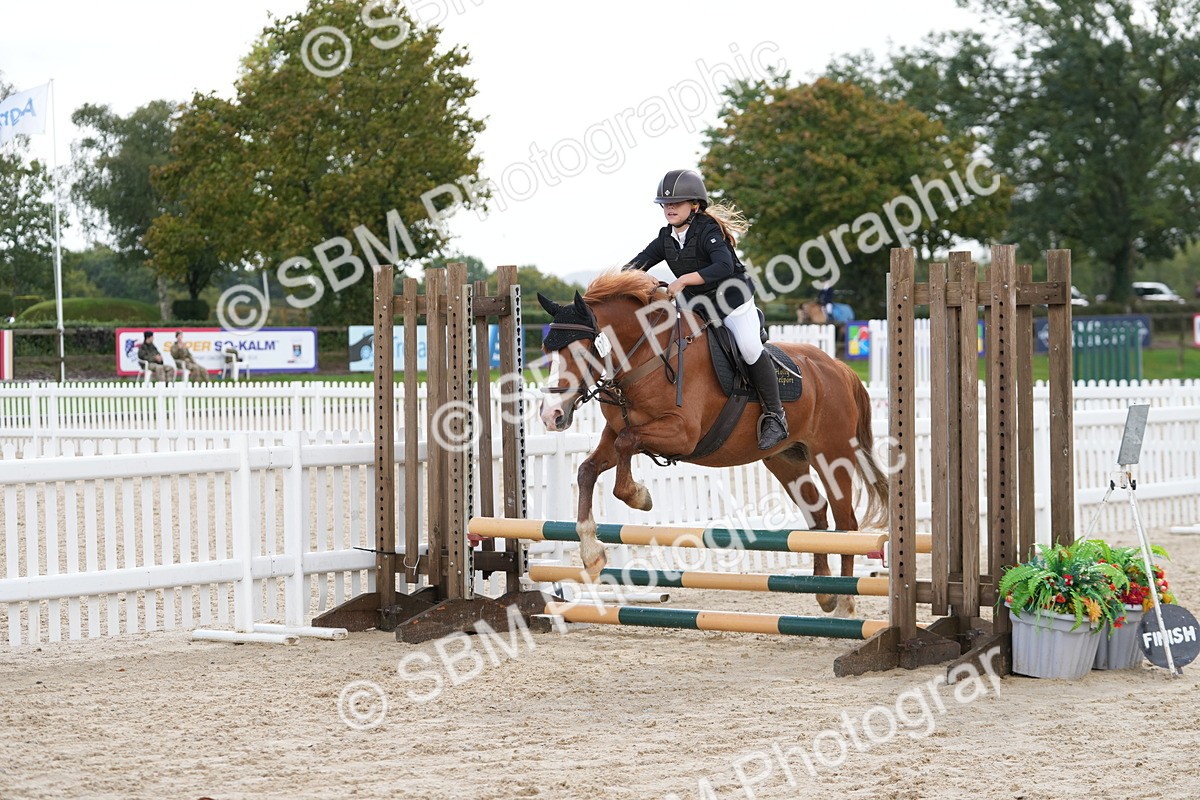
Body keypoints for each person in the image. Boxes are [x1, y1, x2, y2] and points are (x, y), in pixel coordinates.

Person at [624, 169, 787, 450]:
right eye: (665, 204)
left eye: (677, 202)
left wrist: (683, 280)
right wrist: (635, 278)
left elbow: (723, 266)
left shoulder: (708, 230)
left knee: (749, 348)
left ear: (695, 206)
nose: (669, 208)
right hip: (699, 306)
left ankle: (776, 415)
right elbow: (636, 263)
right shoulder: (666, 238)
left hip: (732, 301)